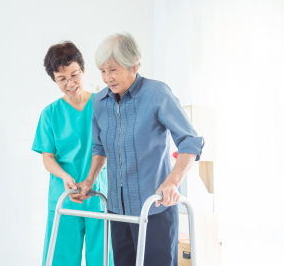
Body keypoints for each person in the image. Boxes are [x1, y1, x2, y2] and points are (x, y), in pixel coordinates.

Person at [73, 32, 204, 266]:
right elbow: (99, 147)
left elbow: (190, 142)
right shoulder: (99, 101)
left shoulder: (157, 93)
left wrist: (173, 181)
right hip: (117, 210)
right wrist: (89, 180)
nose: (107, 78)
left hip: (154, 208)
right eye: (102, 70)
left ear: (134, 64)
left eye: (113, 69)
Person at [31, 41, 114, 266]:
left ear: (84, 70)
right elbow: (47, 157)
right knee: (61, 260)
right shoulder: (50, 114)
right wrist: (65, 177)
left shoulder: (102, 105)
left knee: (103, 260)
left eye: (75, 75)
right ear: (54, 80)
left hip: (98, 195)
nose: (70, 83)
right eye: (62, 79)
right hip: (64, 197)